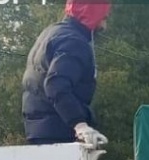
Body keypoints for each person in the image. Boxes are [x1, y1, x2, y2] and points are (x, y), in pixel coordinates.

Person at [21, 0, 111, 147]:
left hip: (38, 129)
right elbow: (56, 85)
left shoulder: (51, 32)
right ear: (93, 14)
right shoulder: (74, 42)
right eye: (104, 17)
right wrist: (80, 125)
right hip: (60, 131)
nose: (104, 25)